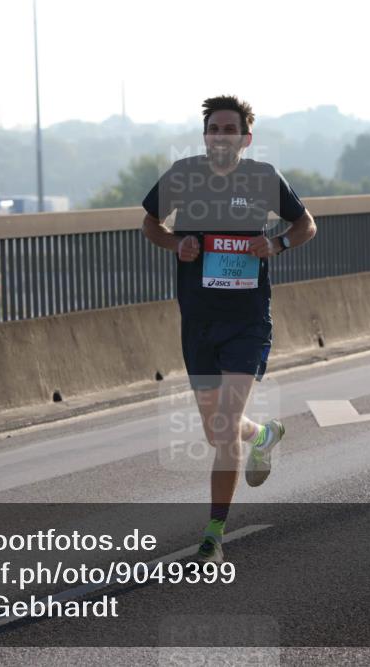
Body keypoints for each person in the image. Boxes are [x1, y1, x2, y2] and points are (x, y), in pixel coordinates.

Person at [141, 95, 317, 562]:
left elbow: (307, 226)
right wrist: (176, 244)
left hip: (247, 321)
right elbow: (149, 224)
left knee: (222, 425)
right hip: (198, 319)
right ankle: (262, 436)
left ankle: (213, 534)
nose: (221, 136)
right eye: (213, 129)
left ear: (245, 138)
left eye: (229, 130)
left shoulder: (262, 178)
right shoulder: (182, 175)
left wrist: (276, 243)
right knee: (215, 429)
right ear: (206, 136)